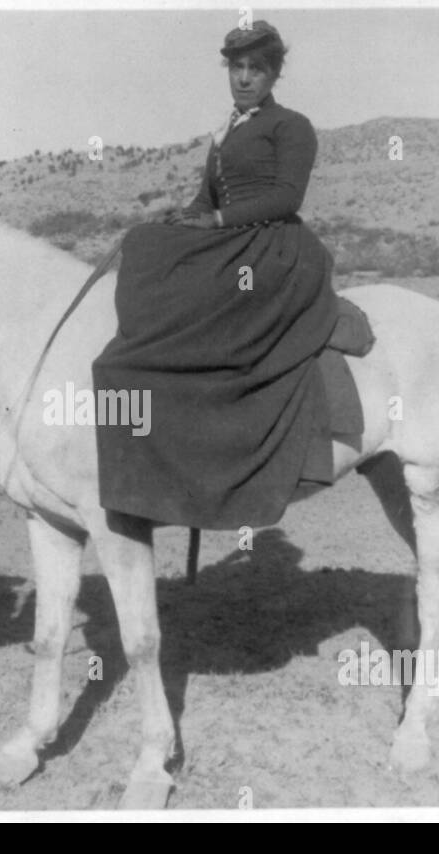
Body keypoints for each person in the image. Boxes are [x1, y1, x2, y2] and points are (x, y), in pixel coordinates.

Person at [92, 20, 341, 530]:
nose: (244, 78)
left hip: (275, 247)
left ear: (274, 74)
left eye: (257, 69)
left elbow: (287, 197)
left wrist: (219, 221)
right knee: (145, 243)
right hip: (232, 237)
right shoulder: (227, 131)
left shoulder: (290, 126)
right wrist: (183, 216)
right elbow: (206, 200)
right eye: (237, 67)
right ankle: (148, 361)